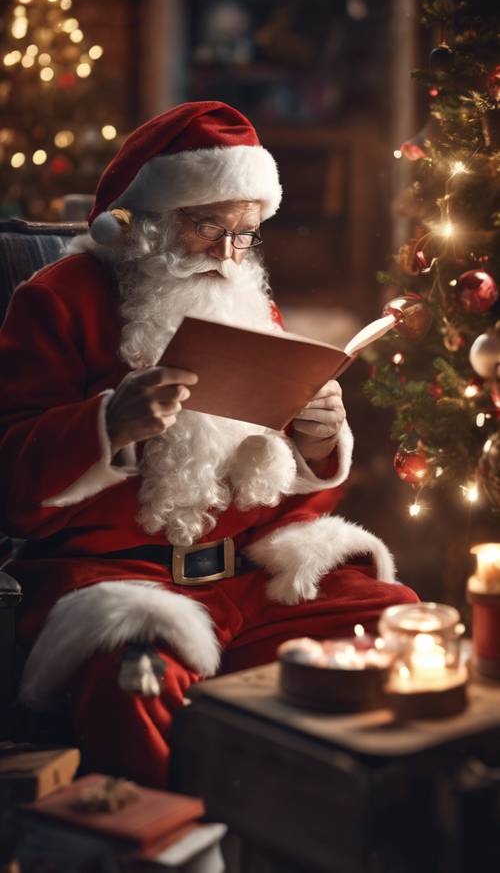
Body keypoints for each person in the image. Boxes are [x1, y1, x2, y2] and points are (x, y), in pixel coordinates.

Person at [0, 101, 418, 787]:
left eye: (245, 234)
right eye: (206, 227)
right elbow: (11, 487)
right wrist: (107, 425)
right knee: (131, 689)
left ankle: (321, 835)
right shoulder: (56, 300)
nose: (228, 254)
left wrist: (317, 444)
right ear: (145, 223)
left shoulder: (248, 299)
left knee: (396, 620)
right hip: (124, 581)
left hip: (255, 578)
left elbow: (286, 490)